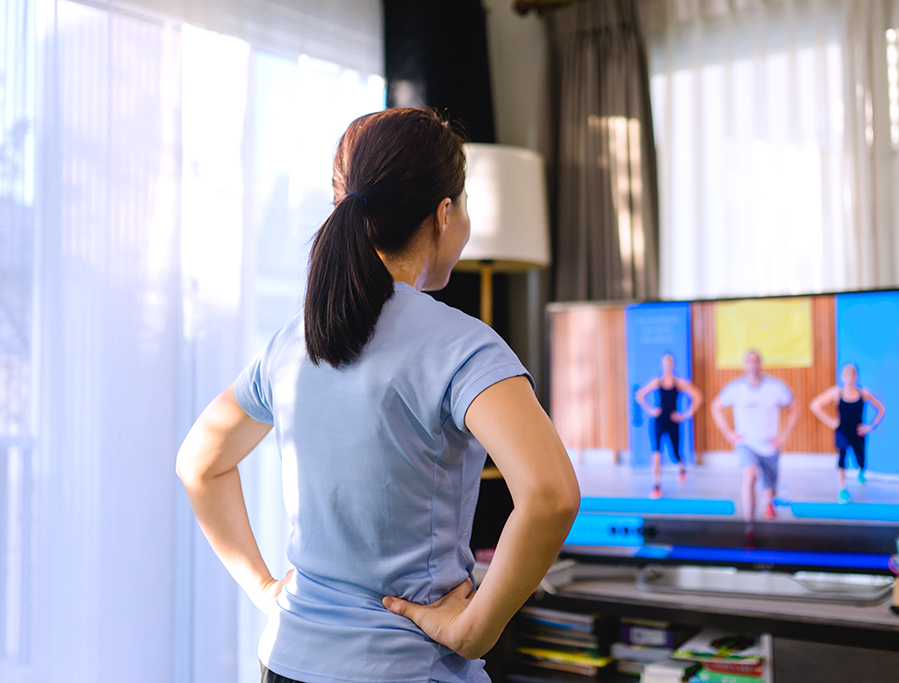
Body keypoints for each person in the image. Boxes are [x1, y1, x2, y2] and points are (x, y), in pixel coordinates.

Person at [175, 108, 580, 683]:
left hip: (286, 660)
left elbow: (200, 464)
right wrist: (474, 630)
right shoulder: (461, 346)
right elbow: (550, 495)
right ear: (444, 214)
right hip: (405, 667)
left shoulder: (296, 339)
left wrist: (267, 590)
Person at [710, 350, 799, 537]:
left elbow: (794, 407)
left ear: (761, 365)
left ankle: (769, 503)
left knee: (769, 487)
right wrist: (727, 431)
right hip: (746, 443)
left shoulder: (776, 388)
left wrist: (783, 436)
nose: (753, 365)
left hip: (769, 445)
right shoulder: (734, 389)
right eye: (749, 362)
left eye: (756, 361)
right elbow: (716, 407)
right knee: (749, 476)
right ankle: (749, 524)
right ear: (744, 366)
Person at [810, 363, 886, 503]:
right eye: (847, 376)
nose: (850, 378)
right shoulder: (836, 393)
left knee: (860, 460)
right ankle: (842, 489)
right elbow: (815, 405)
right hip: (842, 431)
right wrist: (830, 421)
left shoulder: (863, 394)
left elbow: (881, 408)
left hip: (858, 432)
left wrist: (871, 426)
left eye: (852, 375)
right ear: (843, 377)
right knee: (842, 453)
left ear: (856, 377)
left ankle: (860, 472)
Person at [635, 353, 703, 497]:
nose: (667, 366)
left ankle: (681, 468)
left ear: (673, 365)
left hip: (673, 421)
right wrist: (650, 410)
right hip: (659, 420)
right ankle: (656, 485)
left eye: (669, 363)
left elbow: (697, 397)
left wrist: (685, 414)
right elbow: (640, 395)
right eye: (665, 363)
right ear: (662, 365)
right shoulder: (657, 382)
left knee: (675, 453)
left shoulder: (679, 383)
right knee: (656, 451)